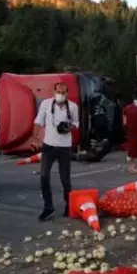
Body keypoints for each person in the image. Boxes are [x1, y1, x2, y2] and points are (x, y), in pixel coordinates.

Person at [32, 83, 80, 221]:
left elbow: (76, 123)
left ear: (67, 93)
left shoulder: (72, 107)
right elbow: (38, 122)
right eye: (58, 92)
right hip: (49, 146)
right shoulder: (46, 104)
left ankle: (68, 205)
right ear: (54, 91)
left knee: (65, 179)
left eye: (63, 92)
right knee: (43, 176)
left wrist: (70, 127)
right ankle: (48, 206)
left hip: (65, 147)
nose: (61, 95)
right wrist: (34, 139)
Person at [122, 92, 137, 174]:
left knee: (132, 150)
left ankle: (133, 167)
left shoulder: (125, 110)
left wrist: (126, 130)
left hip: (131, 132)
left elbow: (125, 123)